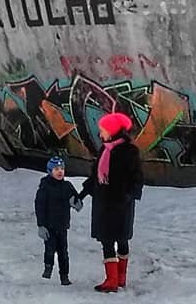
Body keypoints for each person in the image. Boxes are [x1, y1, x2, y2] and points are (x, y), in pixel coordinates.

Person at [80, 111, 143, 292]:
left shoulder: (129, 152)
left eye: (103, 130)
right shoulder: (104, 150)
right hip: (104, 202)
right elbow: (95, 177)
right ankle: (113, 279)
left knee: (121, 238)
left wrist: (129, 195)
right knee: (107, 239)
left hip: (121, 202)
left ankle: (118, 278)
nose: (100, 134)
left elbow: (137, 177)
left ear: (113, 131)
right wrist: (83, 193)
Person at [35, 156, 82, 286]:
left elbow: (76, 199)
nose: (60, 172)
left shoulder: (67, 186)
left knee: (63, 252)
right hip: (49, 225)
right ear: (50, 171)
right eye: (56, 169)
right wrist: (41, 225)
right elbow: (39, 206)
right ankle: (48, 267)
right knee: (50, 249)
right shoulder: (45, 186)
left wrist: (76, 203)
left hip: (62, 225)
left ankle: (64, 276)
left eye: (62, 169)